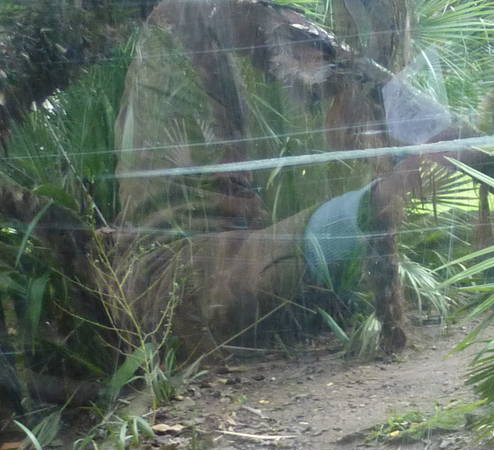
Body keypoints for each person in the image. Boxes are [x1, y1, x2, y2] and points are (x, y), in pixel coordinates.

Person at [111, 0, 465, 355]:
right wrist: (375, 199)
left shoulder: (246, 59)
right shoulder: (184, 40)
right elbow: (188, 293)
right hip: (177, 296)